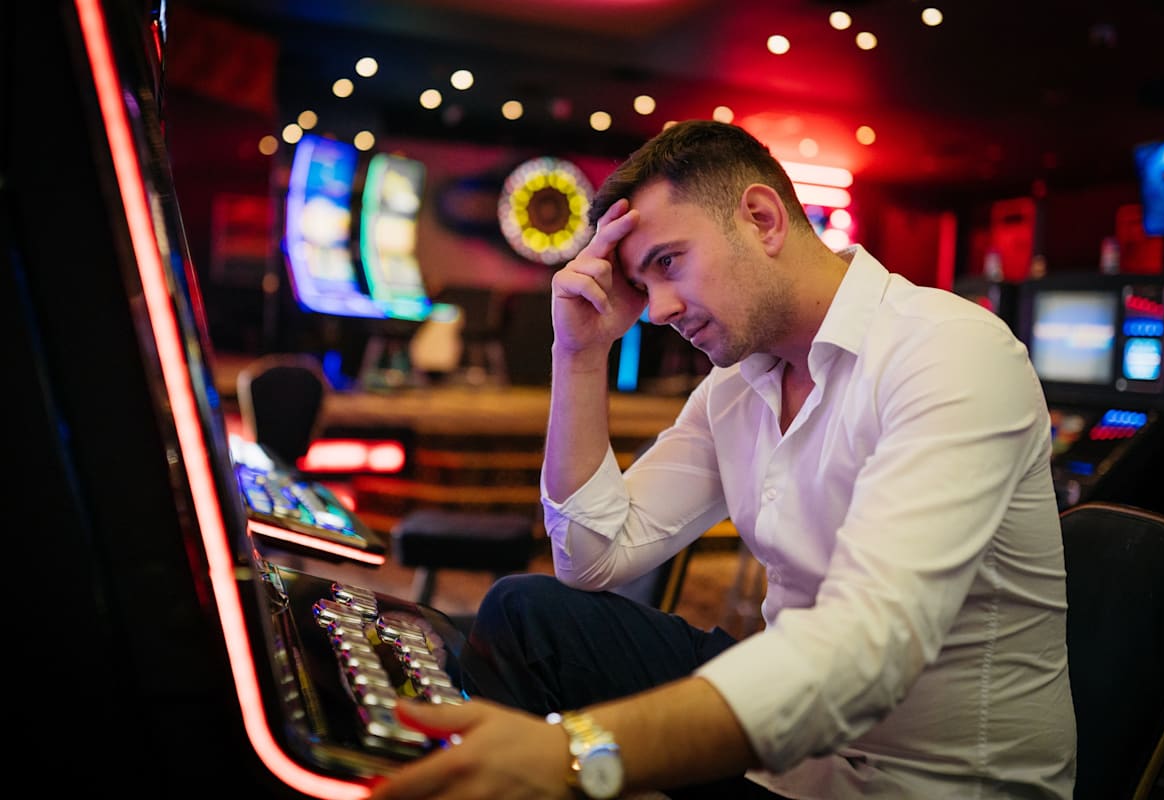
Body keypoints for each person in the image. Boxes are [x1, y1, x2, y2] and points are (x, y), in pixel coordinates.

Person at [370, 120, 1076, 799]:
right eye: (643, 284)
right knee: (528, 616)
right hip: (795, 757)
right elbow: (592, 558)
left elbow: (866, 653)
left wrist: (573, 753)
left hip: (920, 782)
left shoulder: (949, 352)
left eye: (668, 263)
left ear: (763, 219)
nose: (657, 309)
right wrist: (579, 356)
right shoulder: (738, 385)